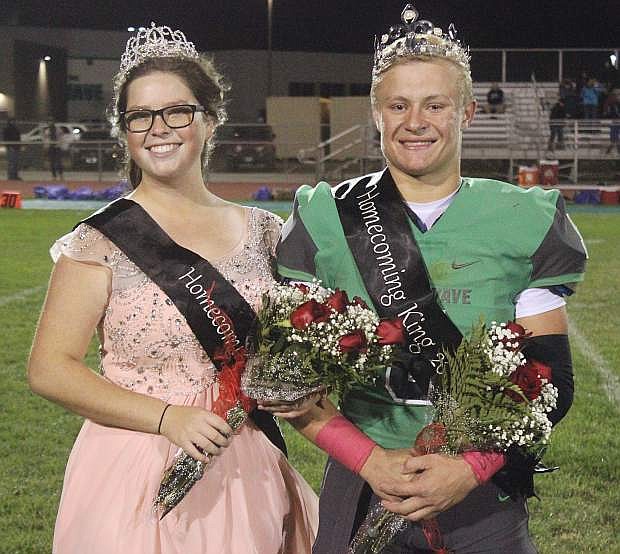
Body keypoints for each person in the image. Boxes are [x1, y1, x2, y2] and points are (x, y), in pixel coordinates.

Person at [275, 4, 586, 553]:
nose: (415, 122)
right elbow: (284, 380)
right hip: (362, 481)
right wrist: (370, 461)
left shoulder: (524, 217)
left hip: (482, 492)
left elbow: (552, 379)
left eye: (434, 105)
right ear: (378, 114)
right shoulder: (326, 215)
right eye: (398, 105)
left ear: (465, 113)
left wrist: (468, 469)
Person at [28, 23, 317, 553]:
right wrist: (167, 419)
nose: (158, 129)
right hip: (131, 461)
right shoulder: (100, 241)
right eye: (140, 116)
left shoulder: (265, 231)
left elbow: (289, 350)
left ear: (209, 121)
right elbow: (49, 368)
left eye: (176, 112)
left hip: (242, 463)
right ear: (125, 130)